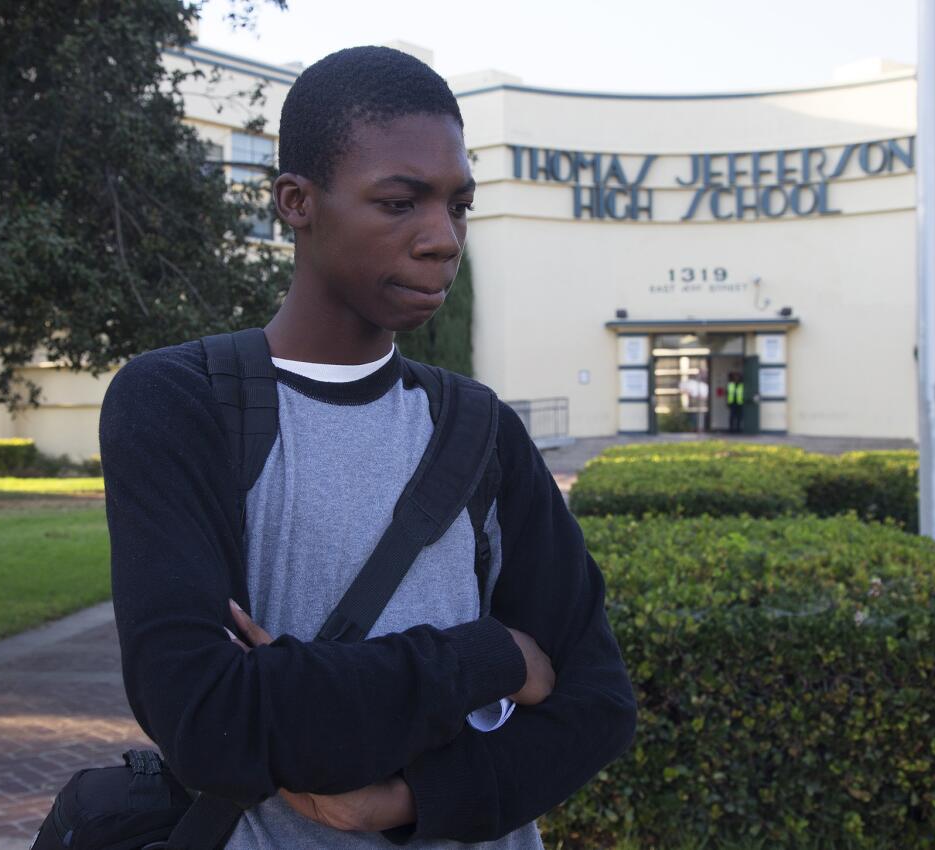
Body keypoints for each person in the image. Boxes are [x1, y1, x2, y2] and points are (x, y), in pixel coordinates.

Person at [99, 46, 636, 849]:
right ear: (297, 202)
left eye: (459, 205)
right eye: (399, 203)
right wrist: (488, 655)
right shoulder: (181, 403)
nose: (443, 239)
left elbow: (597, 703)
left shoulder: (481, 429)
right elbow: (207, 718)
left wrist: (406, 798)